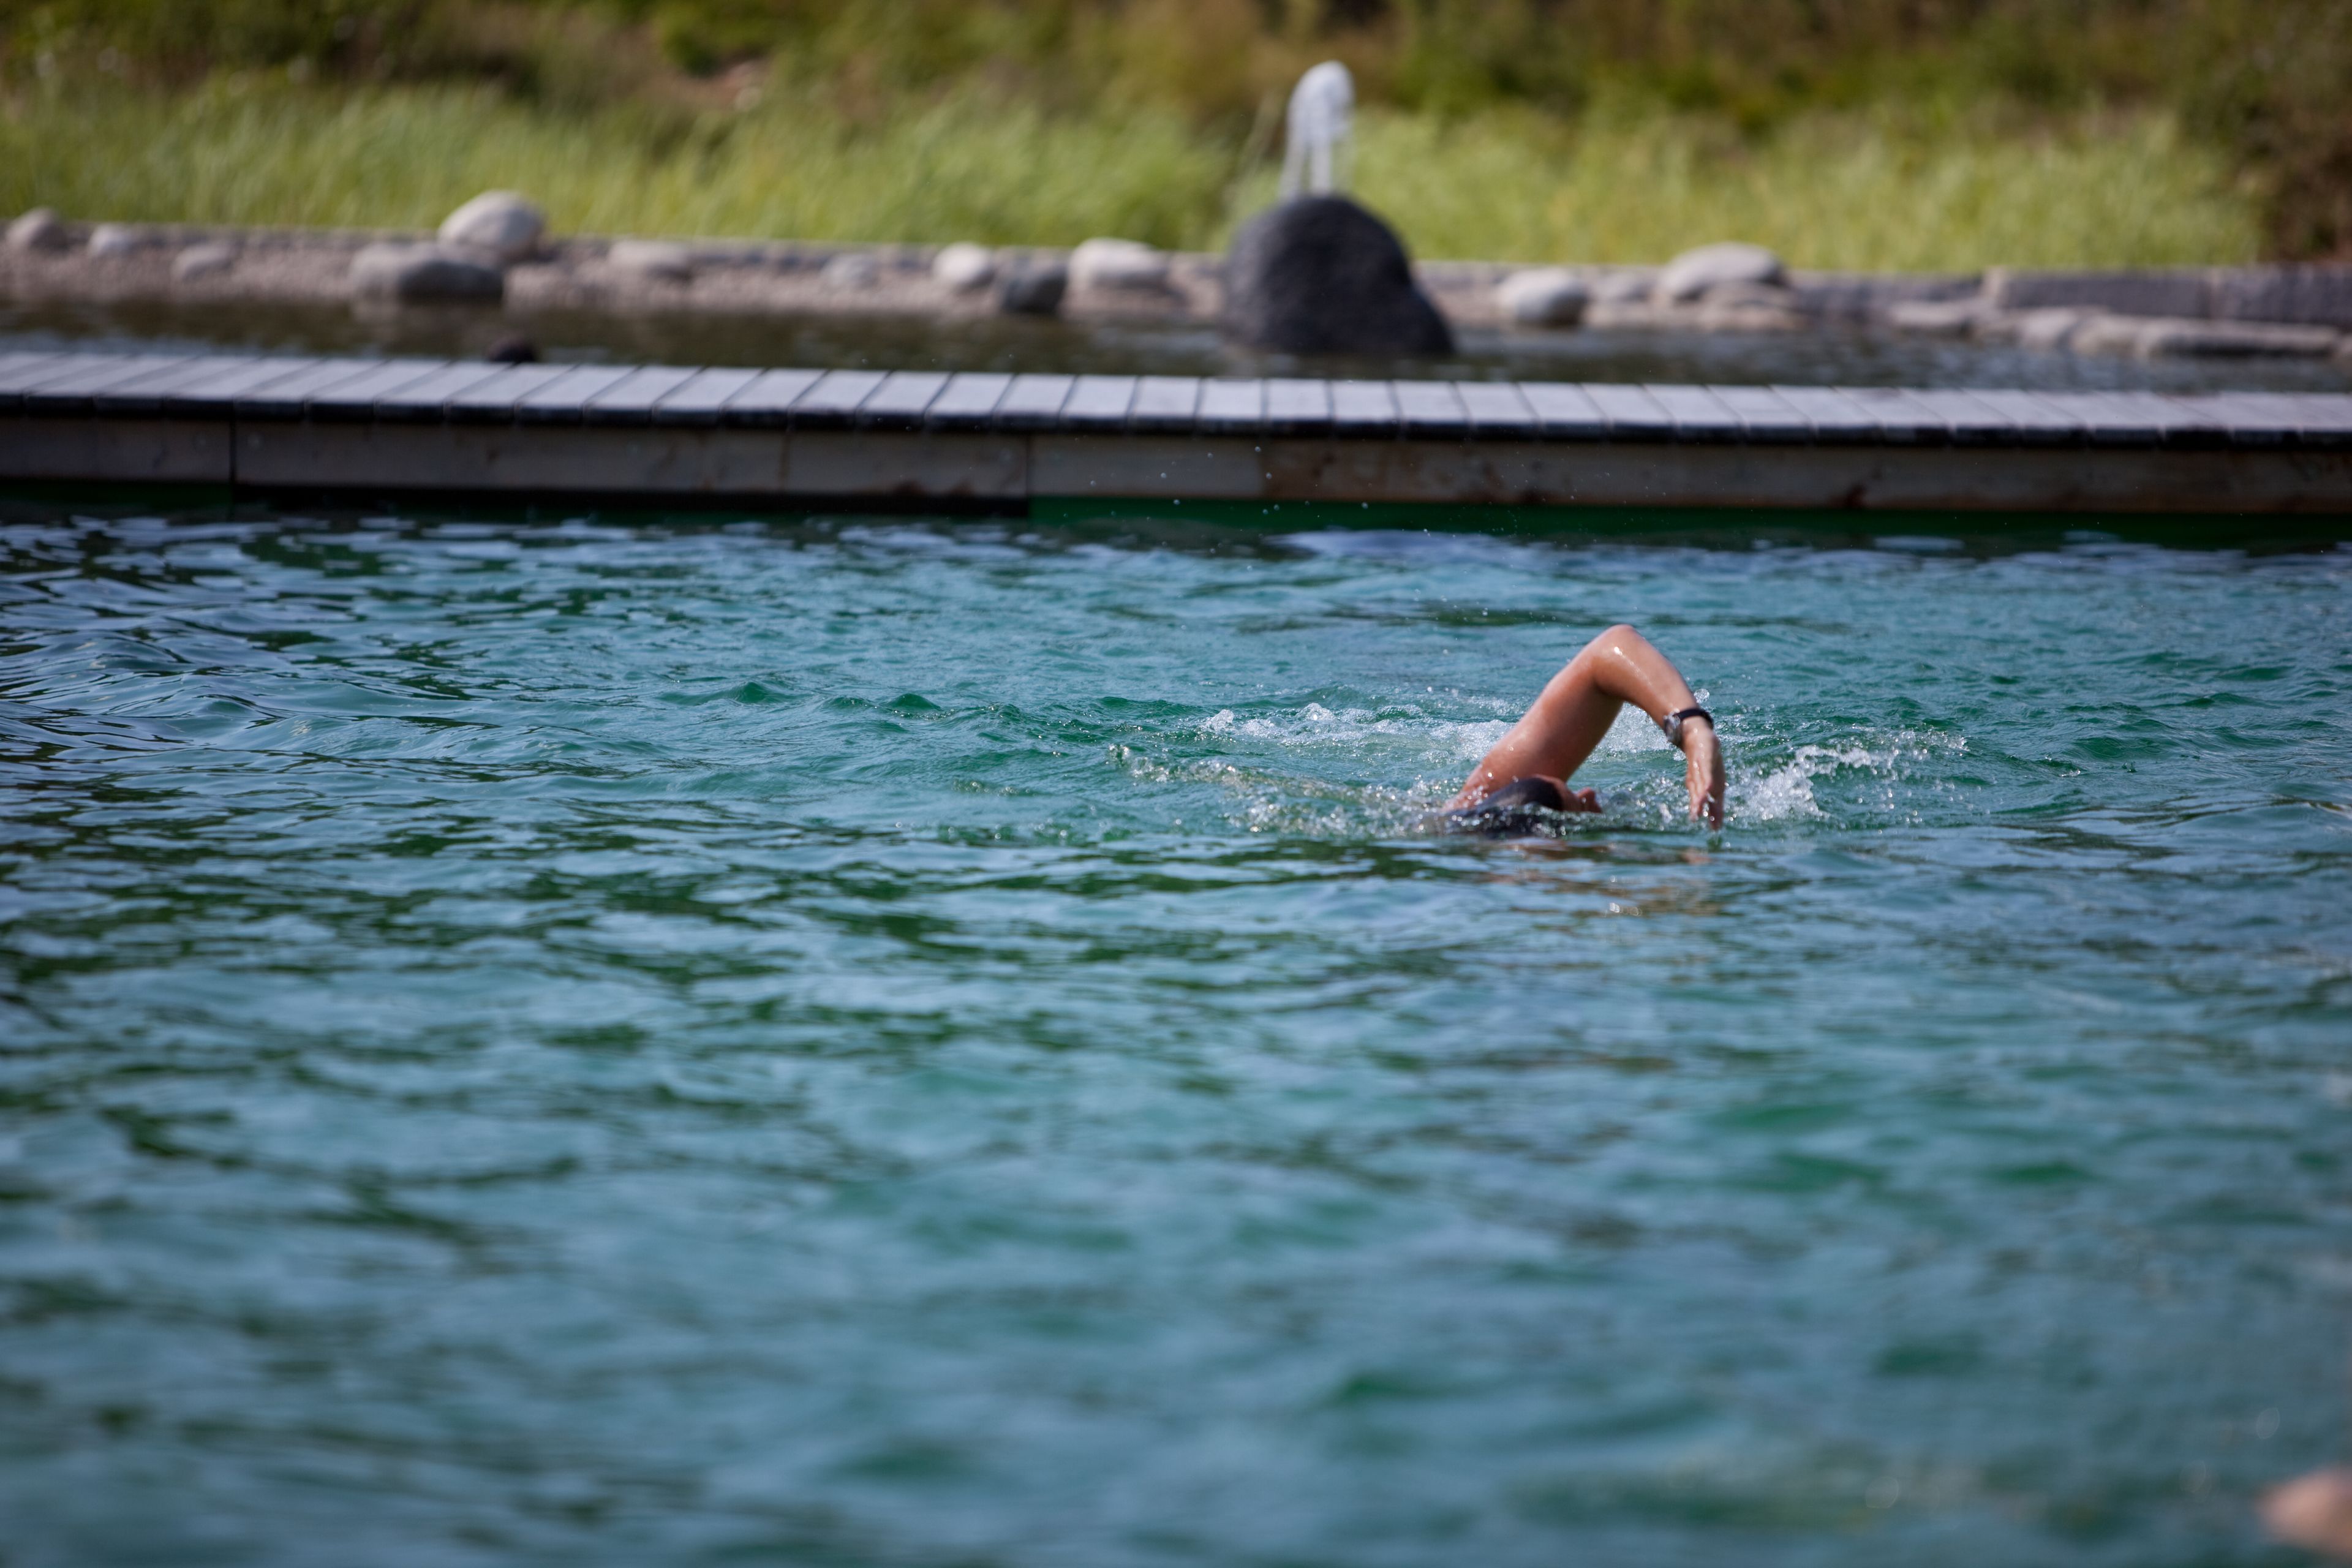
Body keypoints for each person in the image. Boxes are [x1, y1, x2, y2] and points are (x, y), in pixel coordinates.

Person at [1446, 624, 1724, 832]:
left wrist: (1692, 729)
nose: (1588, 793)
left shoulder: (1479, 804)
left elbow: (1610, 650)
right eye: (1577, 802)